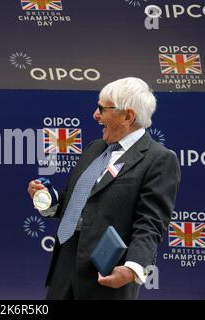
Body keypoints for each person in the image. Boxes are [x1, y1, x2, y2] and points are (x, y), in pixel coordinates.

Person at [27, 77, 181, 300]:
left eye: (102, 108)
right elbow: (80, 204)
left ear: (128, 116)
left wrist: (133, 268)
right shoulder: (94, 148)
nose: (95, 115)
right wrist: (49, 199)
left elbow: (151, 223)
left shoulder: (159, 159)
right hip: (64, 270)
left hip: (107, 277)